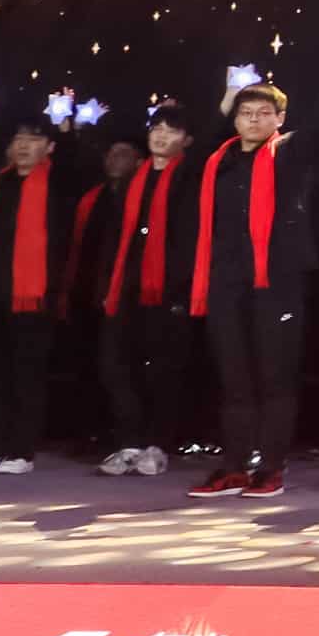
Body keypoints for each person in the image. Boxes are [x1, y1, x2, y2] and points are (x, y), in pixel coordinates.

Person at [186, 37, 319, 497]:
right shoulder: (217, 161)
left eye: (264, 114)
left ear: (279, 119)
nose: (253, 121)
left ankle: (271, 468)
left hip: (278, 281)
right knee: (234, 377)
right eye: (246, 113)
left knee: (275, 376)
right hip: (226, 280)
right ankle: (234, 466)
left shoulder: (292, 154)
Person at [94, 105, 201, 477]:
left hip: (168, 290)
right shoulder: (132, 180)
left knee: (163, 370)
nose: (161, 135)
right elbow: (114, 238)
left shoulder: (190, 178)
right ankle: (129, 442)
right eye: (156, 127)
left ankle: (157, 445)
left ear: (186, 140)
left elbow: (189, 240)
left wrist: (180, 287)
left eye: (171, 130)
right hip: (126, 286)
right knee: (115, 366)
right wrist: (107, 285)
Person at [0, 119, 78, 475]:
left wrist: (68, 129)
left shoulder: (59, 184)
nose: (23, 145)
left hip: (35, 297)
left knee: (27, 374)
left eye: (33, 139)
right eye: (18, 138)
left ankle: (21, 451)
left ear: (50, 147)